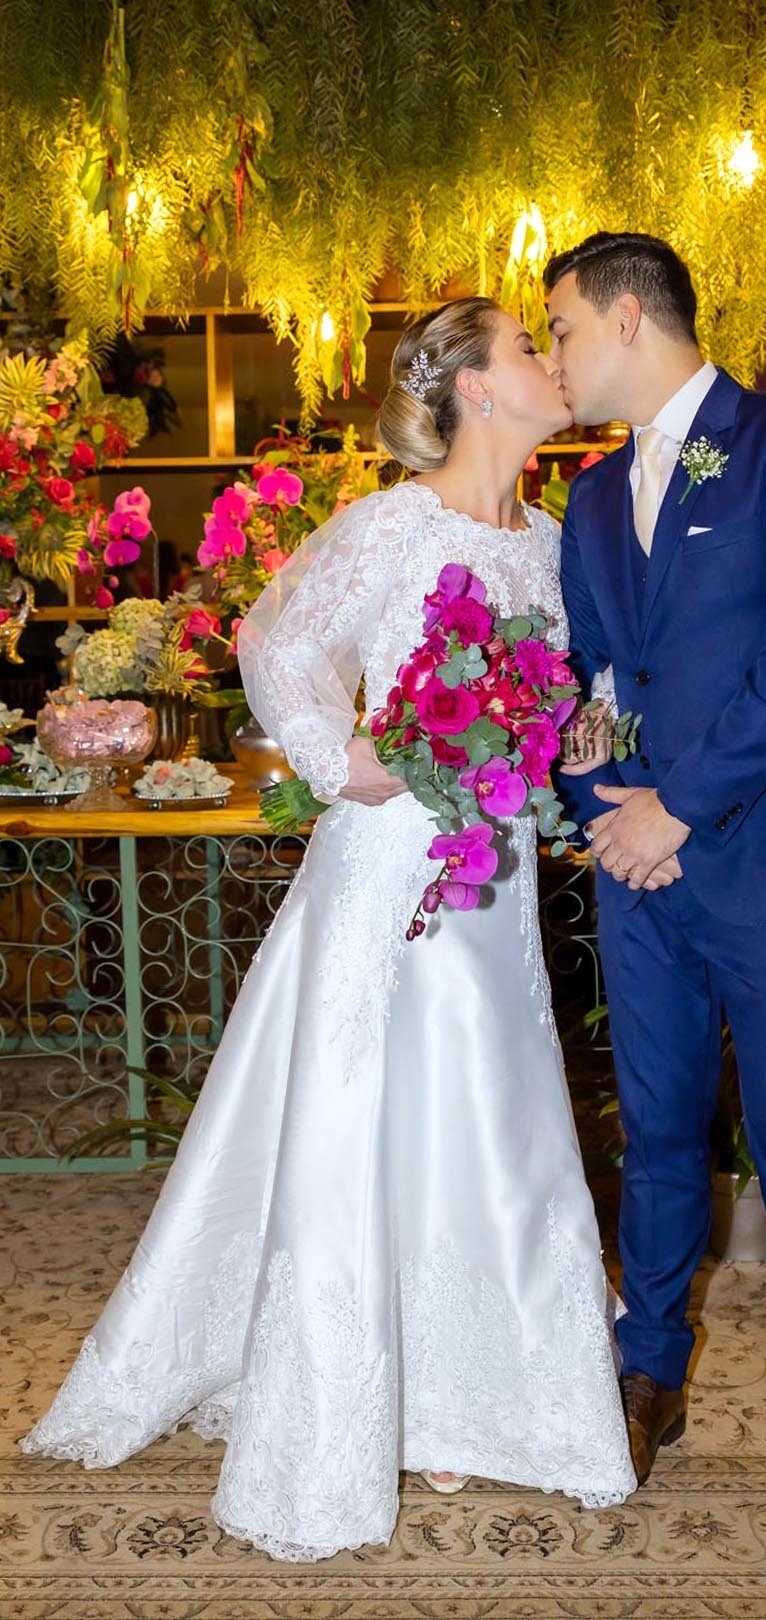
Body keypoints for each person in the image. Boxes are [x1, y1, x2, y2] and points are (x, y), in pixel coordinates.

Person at [21, 296, 636, 1561]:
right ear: (473, 388)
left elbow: (576, 700)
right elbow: (275, 637)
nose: (551, 360)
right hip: (388, 862)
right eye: (529, 346)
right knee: (373, 1110)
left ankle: (472, 1389)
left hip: (497, 872)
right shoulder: (392, 527)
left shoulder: (561, 538)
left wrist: (580, 736)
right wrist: (339, 751)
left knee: (492, 1112)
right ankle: (352, 1396)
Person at [545, 232, 766, 1545]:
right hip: (643, 876)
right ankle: (648, 1377)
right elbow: (588, 682)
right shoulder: (587, 501)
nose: (557, 357)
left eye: (563, 329)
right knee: (655, 1133)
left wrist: (682, 808)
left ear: (630, 317)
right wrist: (608, 811)